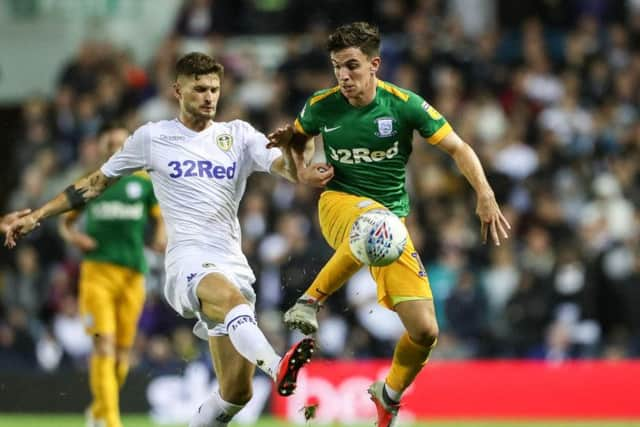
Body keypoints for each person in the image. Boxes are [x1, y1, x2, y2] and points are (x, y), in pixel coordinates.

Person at [5, 52, 319, 427]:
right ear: (177, 90)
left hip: (232, 262)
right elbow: (94, 183)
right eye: (199, 88)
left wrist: (300, 143)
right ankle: (278, 365)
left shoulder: (237, 135)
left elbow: (293, 172)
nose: (209, 96)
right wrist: (37, 215)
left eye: (214, 89)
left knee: (237, 395)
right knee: (232, 302)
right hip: (187, 261)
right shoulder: (153, 137)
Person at [267, 22, 511, 427]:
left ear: (374, 64)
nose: (343, 76)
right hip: (339, 206)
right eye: (336, 67)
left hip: (389, 226)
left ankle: (390, 394)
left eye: (351, 66)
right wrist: (303, 169)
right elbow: (298, 140)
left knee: (425, 331)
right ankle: (309, 301)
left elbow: (458, 147)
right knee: (373, 223)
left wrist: (484, 194)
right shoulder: (321, 104)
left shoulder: (403, 104)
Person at [57, 122, 165, 427]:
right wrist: (75, 238)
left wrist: (159, 235)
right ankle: (112, 421)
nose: (115, 149)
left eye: (121, 143)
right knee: (102, 345)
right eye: (110, 144)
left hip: (133, 274)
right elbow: (64, 222)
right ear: (103, 150)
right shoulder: (92, 183)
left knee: (122, 353)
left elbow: (160, 219)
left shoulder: (144, 184)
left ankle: (99, 411)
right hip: (97, 273)